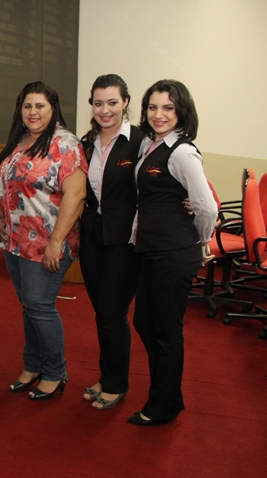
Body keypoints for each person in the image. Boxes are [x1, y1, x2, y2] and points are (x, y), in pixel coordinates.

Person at [0, 81, 88, 401]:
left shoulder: (65, 144)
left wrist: (56, 242)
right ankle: (32, 366)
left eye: (40, 106)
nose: (33, 112)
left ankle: (55, 372)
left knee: (40, 306)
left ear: (52, 109)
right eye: (27, 106)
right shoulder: (20, 141)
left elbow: (76, 195)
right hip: (16, 243)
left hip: (48, 243)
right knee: (30, 306)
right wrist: (1, 220)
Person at [129, 80, 216, 426]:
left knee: (165, 331)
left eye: (168, 107)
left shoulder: (181, 152)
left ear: (181, 110)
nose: (159, 114)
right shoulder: (151, 145)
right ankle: (169, 395)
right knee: (144, 322)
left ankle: (162, 406)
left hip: (174, 252)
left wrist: (200, 241)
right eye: (152, 107)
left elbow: (207, 206)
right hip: (152, 250)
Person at [79, 74, 145, 410]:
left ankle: (117, 384)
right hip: (92, 237)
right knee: (101, 312)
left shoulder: (141, 142)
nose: (105, 110)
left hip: (125, 240)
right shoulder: (87, 142)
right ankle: (107, 377)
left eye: (112, 102)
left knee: (112, 312)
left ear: (126, 103)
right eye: (98, 103)